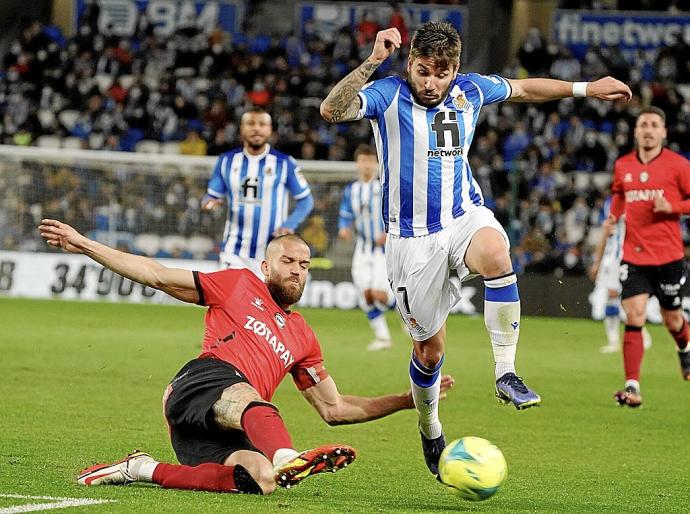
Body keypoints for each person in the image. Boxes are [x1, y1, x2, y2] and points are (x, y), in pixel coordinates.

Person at [320, 21, 631, 476]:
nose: (431, 82)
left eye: (441, 73)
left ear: (456, 70)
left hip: (463, 216)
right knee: (428, 351)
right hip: (411, 241)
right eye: (423, 70)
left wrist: (587, 88)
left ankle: (506, 372)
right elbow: (331, 110)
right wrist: (372, 61)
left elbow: (526, 88)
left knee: (498, 254)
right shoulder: (388, 93)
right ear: (410, 64)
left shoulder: (472, 90)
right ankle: (429, 425)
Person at [38, 219, 454, 494]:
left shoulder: (304, 336)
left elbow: (336, 408)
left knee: (259, 478)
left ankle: (141, 469)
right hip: (201, 384)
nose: (296, 270)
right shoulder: (237, 285)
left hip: (214, 428)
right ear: (265, 266)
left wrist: (406, 400)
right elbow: (157, 274)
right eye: (287, 261)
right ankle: (288, 456)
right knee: (247, 399)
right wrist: (83, 243)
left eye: (304, 264)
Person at [607, 107, 690, 407]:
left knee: (673, 321)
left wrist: (673, 208)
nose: (648, 130)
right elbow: (619, 193)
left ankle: (685, 350)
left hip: (668, 256)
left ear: (664, 132)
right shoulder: (623, 165)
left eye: (655, 124)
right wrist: (614, 216)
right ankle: (632, 386)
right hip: (635, 255)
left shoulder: (678, 166)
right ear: (636, 131)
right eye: (643, 124)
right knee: (635, 315)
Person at [202, 108, 314, 278]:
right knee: (228, 304)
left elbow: (306, 201)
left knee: (266, 305)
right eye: (251, 123)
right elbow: (211, 195)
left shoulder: (284, 163)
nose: (256, 128)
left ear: (270, 130)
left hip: (271, 255)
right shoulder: (226, 161)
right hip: (233, 252)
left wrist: (289, 225)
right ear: (241, 129)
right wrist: (209, 202)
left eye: (262, 124)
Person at [338, 144, 397, 351]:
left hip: (383, 250)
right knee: (366, 296)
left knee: (379, 294)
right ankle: (383, 338)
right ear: (357, 164)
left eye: (370, 161)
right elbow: (345, 214)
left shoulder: (385, 188)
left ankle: (406, 315)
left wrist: (388, 232)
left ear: (377, 164)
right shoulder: (351, 190)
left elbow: (397, 212)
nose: (367, 165)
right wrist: (344, 228)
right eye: (363, 160)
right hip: (361, 250)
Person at [588, 200, 654, 354]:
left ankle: (641, 334)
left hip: (627, 257)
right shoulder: (611, 203)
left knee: (629, 300)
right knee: (612, 297)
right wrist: (598, 260)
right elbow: (606, 232)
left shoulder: (636, 202)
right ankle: (614, 341)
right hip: (612, 258)